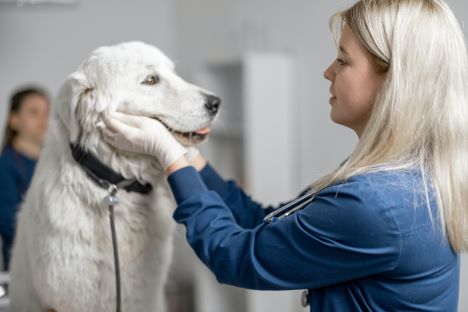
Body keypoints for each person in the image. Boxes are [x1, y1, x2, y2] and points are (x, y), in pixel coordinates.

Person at [102, 0, 468, 310]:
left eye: (342, 60)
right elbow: (267, 225)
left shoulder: (376, 204)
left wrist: (170, 157)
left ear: (394, 79)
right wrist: (191, 160)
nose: (328, 71)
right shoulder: (398, 179)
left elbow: (237, 256)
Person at [0, 87, 50, 271]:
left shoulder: (56, 163)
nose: (43, 120)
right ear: (14, 120)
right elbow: (9, 225)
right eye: (33, 113)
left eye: (47, 112)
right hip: (23, 268)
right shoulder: (5, 166)